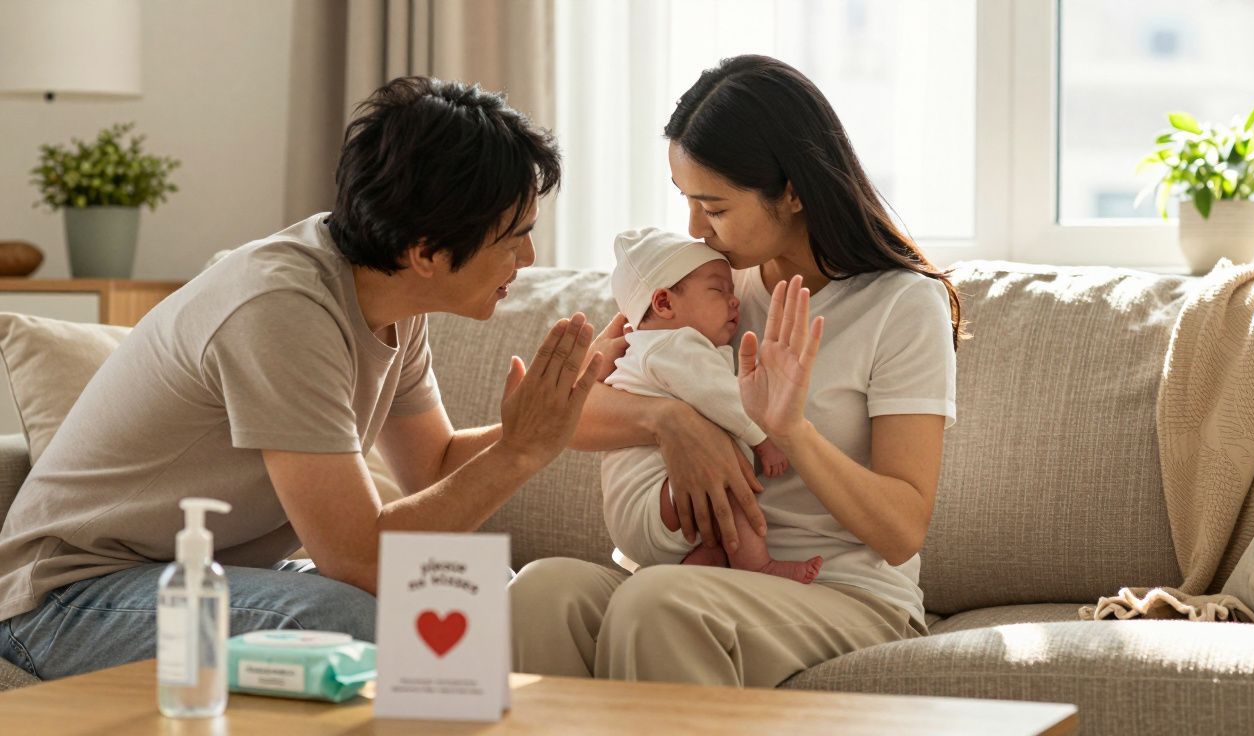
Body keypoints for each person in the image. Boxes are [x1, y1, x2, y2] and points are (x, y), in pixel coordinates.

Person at [0, 76, 607, 680]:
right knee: (349, 623)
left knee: (487, 593)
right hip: (66, 601)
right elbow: (361, 560)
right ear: (425, 252)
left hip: (198, 579)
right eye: (516, 237)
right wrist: (519, 451)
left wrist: (544, 426)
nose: (528, 259)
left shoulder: (393, 296)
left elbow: (436, 464)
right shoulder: (281, 308)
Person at [511, 55, 963, 687]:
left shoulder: (899, 304)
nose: (696, 230)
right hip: (696, 573)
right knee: (541, 592)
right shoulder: (705, 287)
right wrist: (669, 419)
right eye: (688, 203)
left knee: (659, 604)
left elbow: (900, 530)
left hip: (840, 590)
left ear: (794, 191)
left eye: (714, 208)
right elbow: (580, 410)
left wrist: (792, 432)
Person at [602, 226, 821, 585]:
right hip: (648, 505)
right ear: (664, 303)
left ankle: (696, 568)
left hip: (649, 516)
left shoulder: (653, 347)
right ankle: (759, 564)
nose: (734, 301)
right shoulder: (673, 345)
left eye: (732, 291)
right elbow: (723, 397)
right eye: (718, 290)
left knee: (716, 550)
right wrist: (763, 440)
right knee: (726, 482)